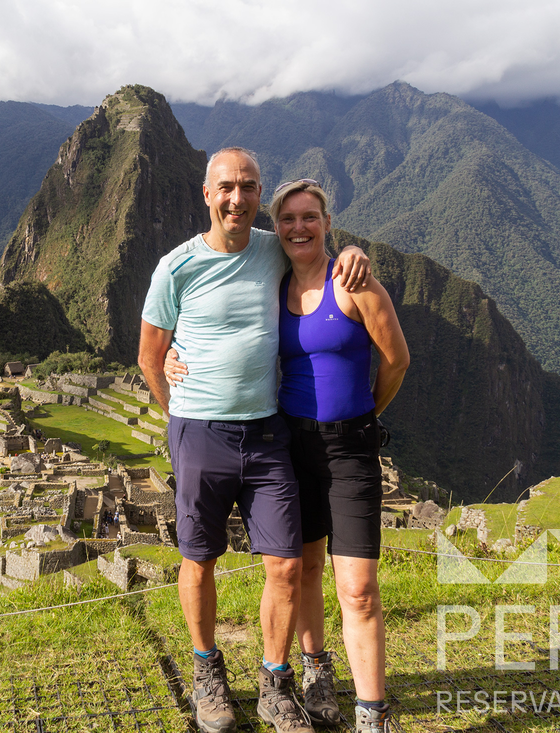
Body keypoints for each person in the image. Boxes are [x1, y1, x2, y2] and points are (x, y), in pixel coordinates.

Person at [138, 148, 369, 733]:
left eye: (247, 187)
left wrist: (354, 255)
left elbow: (319, 254)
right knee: (198, 560)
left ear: (256, 193)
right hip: (199, 434)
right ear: (207, 193)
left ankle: (274, 682)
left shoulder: (274, 250)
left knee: (286, 565)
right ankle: (207, 673)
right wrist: (182, 417)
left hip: (268, 433)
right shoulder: (176, 267)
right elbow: (149, 357)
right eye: (226, 187)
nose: (237, 198)